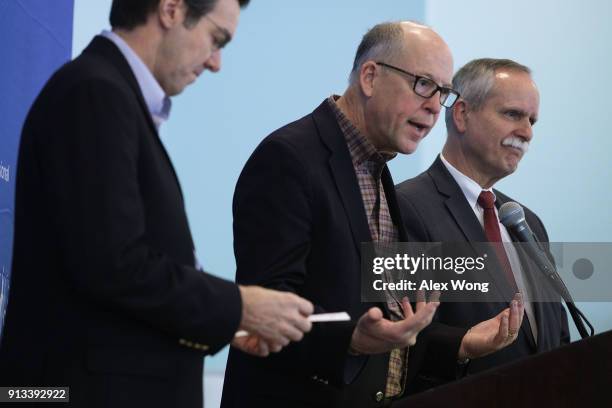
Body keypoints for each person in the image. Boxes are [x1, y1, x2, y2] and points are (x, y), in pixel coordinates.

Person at [0, 1, 315, 407]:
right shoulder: (95, 92)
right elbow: (112, 263)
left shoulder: (111, 94)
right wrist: (240, 306)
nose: (216, 62)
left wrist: (226, 322)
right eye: (215, 39)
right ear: (170, 9)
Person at [221, 21, 451, 408]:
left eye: (443, 92)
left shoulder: (379, 171)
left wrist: (463, 344)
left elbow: (387, 311)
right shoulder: (288, 159)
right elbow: (267, 304)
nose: (433, 105)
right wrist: (350, 340)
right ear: (371, 76)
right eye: (424, 84)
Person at [396, 58, 570, 393]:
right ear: (461, 114)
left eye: (532, 121)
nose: (527, 132)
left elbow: (556, 334)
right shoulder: (406, 208)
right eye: (512, 114)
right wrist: (461, 344)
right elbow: (396, 334)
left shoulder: (527, 222)